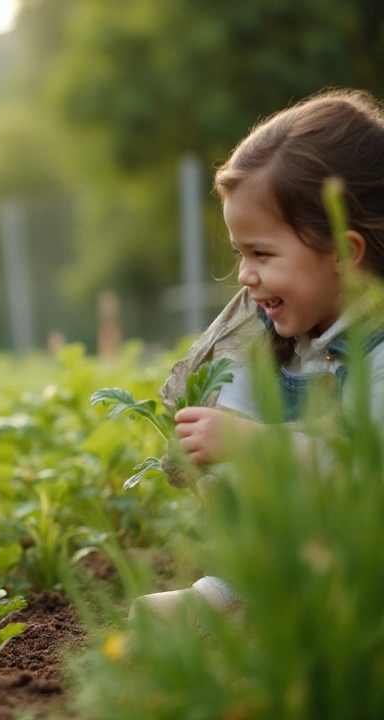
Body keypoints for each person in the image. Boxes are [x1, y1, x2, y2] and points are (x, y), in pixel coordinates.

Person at [135, 89, 384, 620]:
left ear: (344, 251)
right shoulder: (276, 337)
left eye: (262, 254)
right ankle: (247, 592)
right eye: (239, 253)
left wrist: (254, 444)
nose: (245, 277)